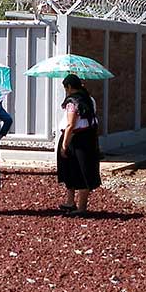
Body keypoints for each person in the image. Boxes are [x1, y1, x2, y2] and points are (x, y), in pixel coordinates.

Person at [57, 74, 101, 216]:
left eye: (66, 88)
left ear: (69, 87)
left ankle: (79, 207)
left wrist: (64, 144)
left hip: (75, 139)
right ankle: (73, 203)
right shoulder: (90, 99)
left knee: (75, 170)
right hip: (89, 138)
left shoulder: (72, 102)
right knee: (83, 169)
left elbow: (70, 125)